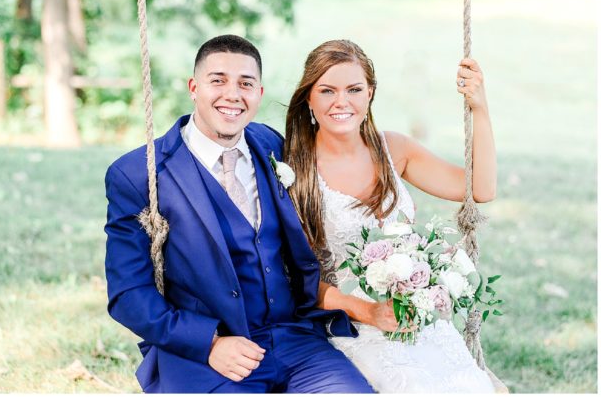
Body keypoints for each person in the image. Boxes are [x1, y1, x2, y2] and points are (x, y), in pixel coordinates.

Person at [104, 35, 373, 393]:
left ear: (259, 94)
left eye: (245, 83)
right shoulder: (141, 173)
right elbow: (128, 293)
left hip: (295, 341)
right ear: (194, 87)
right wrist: (210, 344)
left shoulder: (272, 145)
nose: (233, 94)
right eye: (218, 80)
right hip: (207, 355)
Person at [283, 39, 496, 392]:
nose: (342, 102)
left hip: (417, 318)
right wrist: (367, 312)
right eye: (327, 90)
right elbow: (296, 279)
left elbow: (482, 189)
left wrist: (480, 109)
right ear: (308, 96)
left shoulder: (394, 149)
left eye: (354, 89)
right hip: (352, 324)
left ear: (370, 94)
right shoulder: (296, 172)